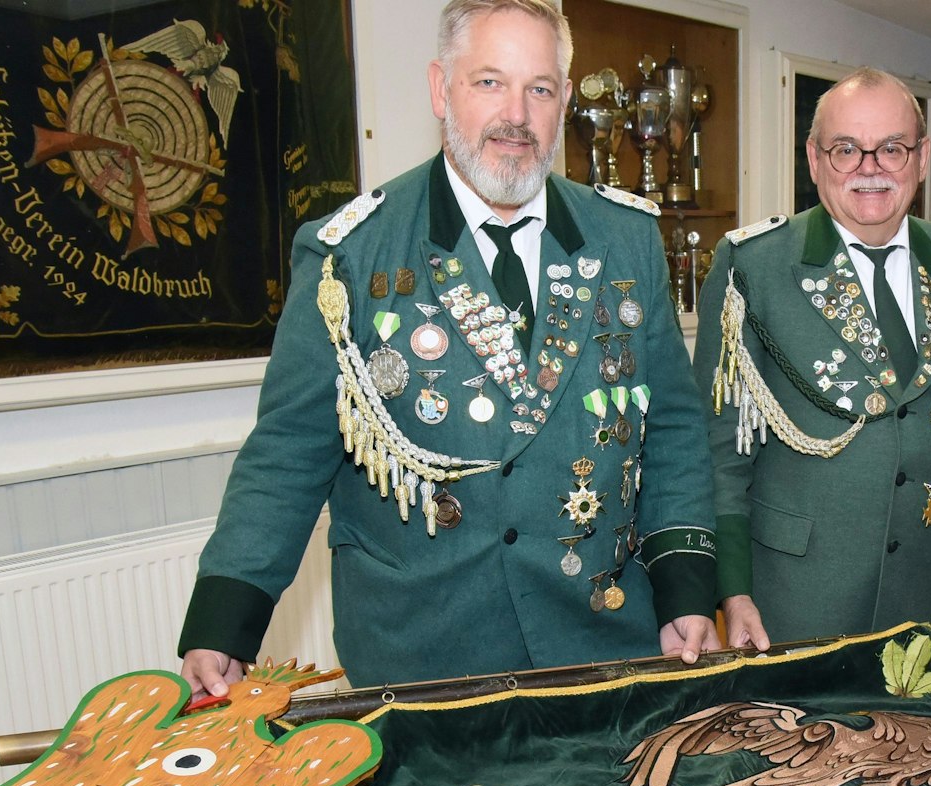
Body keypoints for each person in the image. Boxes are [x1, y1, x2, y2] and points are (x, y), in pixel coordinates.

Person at [179, 0, 718, 695]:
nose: (516, 116)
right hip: (421, 656)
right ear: (441, 89)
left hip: (598, 641)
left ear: (563, 101)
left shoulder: (626, 239)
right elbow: (287, 451)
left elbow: (672, 428)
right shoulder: (352, 255)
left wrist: (684, 588)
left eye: (540, 88)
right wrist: (224, 622)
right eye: (489, 82)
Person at [693, 68, 931, 650]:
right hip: (794, 596)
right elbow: (721, 453)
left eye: (892, 148)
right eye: (846, 149)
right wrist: (732, 591)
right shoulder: (755, 267)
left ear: (922, 158)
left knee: (918, 714)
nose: (870, 168)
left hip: (925, 585)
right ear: (814, 160)